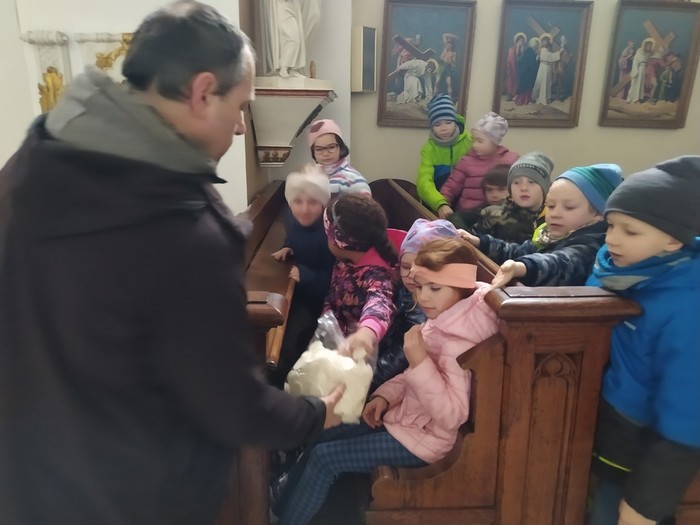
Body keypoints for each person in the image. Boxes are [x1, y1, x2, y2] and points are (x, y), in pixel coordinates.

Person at [0, 3, 345, 525]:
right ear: (202, 92)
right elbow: (230, 405)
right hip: (134, 495)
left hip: (31, 482)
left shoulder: (29, 164)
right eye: (240, 106)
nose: (239, 128)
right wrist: (315, 414)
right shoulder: (183, 232)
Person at [273, 237, 500, 525]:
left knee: (325, 459)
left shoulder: (462, 341)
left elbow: (451, 416)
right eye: (420, 287)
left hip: (426, 441)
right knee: (324, 429)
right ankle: (281, 503)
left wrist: (420, 362)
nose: (423, 298)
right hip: (404, 420)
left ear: (462, 288)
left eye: (435, 288)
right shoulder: (444, 320)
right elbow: (409, 378)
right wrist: (384, 396)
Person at [586, 156, 700, 525]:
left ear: (672, 239)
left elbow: (689, 413)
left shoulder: (687, 303)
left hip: (644, 453)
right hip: (605, 430)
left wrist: (646, 503)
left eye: (630, 231)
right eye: (611, 225)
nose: (612, 239)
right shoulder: (620, 268)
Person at [460, 163, 622, 288]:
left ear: (598, 214)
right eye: (550, 206)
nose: (555, 213)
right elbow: (521, 251)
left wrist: (523, 267)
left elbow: (560, 263)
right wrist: (480, 242)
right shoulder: (549, 235)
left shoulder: (591, 243)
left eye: (569, 207)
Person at [371, 218, 460, 392]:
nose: (411, 275)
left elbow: (400, 356)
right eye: (406, 266)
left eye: (421, 269)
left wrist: (368, 381)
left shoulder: (427, 309)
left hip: (397, 380)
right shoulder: (401, 288)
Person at [270, 164, 336, 387]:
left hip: (321, 304)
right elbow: (295, 236)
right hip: (299, 293)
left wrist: (306, 275)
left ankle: (284, 385)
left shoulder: (329, 233)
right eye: (298, 201)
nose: (305, 209)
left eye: (313, 202)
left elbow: (336, 280)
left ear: (323, 203)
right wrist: (288, 246)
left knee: (287, 345)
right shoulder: (291, 218)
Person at [322, 193, 406, 358]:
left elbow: (380, 302)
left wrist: (367, 332)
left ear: (340, 242)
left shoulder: (378, 274)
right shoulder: (348, 257)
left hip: (356, 351)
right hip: (335, 332)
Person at [440, 111, 519, 214]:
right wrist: (443, 204)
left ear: (494, 142)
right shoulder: (466, 162)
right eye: (473, 140)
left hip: (501, 215)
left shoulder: (510, 160)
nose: (474, 145)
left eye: (480, 141)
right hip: (467, 215)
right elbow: (451, 187)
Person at [472, 151, 553, 243]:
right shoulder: (492, 215)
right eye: (516, 183)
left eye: (531, 182)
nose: (523, 188)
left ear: (545, 188)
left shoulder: (554, 219)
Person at [416, 93, 473, 217]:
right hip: (437, 205)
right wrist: (440, 203)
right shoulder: (428, 149)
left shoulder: (470, 141)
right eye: (437, 124)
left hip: (465, 206)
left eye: (448, 122)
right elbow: (424, 182)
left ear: (455, 121)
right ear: (431, 127)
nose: (444, 128)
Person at [307, 118, 371, 197]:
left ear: (341, 147)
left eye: (331, 147)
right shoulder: (311, 176)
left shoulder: (352, 179)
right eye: (319, 149)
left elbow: (365, 204)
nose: (326, 153)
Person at [260, 0, 321, 78]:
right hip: (283, 8)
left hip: (293, 8)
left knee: (292, 39)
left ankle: (291, 68)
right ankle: (284, 67)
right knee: (293, 39)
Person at [448, 164, 510, 230]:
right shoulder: (482, 212)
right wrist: (468, 234)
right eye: (489, 190)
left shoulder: (517, 215)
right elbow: (454, 218)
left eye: (501, 189)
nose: (494, 195)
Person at [532, 33, 565, 106]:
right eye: (544, 41)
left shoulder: (548, 49)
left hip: (548, 67)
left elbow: (551, 56)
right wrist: (560, 52)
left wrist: (560, 51)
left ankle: (547, 97)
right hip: (543, 67)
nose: (545, 43)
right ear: (542, 42)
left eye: (546, 41)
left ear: (548, 42)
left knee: (548, 82)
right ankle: (539, 97)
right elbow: (550, 57)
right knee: (542, 82)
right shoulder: (543, 50)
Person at [627, 38, 654, 104]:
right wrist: (636, 70)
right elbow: (635, 60)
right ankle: (631, 99)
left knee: (640, 85)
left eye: (650, 46)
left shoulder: (648, 53)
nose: (649, 47)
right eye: (648, 46)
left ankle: (637, 99)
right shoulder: (639, 51)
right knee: (635, 84)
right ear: (645, 45)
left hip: (643, 69)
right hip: (638, 69)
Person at [514, 37, 540, 105]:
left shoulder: (529, 50)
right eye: (537, 44)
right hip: (527, 73)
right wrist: (537, 59)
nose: (538, 46)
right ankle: (523, 101)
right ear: (534, 45)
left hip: (525, 71)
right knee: (526, 87)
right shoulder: (530, 51)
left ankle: (524, 100)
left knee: (526, 87)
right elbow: (532, 64)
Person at [505, 32, 526, 101]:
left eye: (522, 41)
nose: (521, 42)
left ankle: (517, 94)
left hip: (520, 69)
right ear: (517, 41)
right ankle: (510, 94)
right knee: (511, 81)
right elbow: (511, 59)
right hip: (513, 68)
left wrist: (522, 52)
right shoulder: (512, 49)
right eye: (520, 40)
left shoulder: (523, 49)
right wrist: (517, 51)